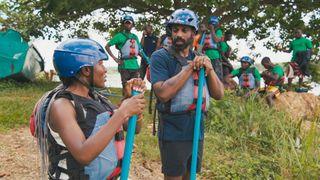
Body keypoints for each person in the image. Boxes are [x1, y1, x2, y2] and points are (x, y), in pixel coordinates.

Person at [32, 39, 146, 179]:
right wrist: (123, 111)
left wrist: (131, 103)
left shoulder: (96, 98)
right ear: (86, 70)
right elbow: (83, 155)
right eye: (100, 63)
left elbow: (133, 128)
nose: (105, 70)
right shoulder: (62, 106)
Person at [150, 8, 224, 180]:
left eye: (184, 30)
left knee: (189, 176)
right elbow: (163, 93)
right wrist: (190, 67)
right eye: (175, 30)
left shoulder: (202, 57)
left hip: (196, 128)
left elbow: (219, 94)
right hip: (173, 129)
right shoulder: (160, 57)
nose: (179, 35)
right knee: (174, 177)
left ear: (193, 33)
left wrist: (210, 68)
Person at [105, 15, 142, 94]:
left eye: (129, 23)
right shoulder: (119, 36)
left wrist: (148, 60)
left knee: (135, 88)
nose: (128, 24)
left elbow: (139, 51)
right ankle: (125, 104)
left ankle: (133, 105)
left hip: (135, 65)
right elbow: (107, 46)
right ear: (123, 24)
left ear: (132, 25)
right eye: (126, 23)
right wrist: (115, 58)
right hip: (124, 65)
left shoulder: (135, 37)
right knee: (126, 88)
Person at [202, 16, 224, 81]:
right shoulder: (206, 33)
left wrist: (212, 30)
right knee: (206, 76)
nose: (212, 25)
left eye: (214, 24)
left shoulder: (219, 31)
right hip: (206, 57)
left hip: (215, 57)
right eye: (211, 24)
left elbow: (216, 40)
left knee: (217, 76)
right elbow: (201, 44)